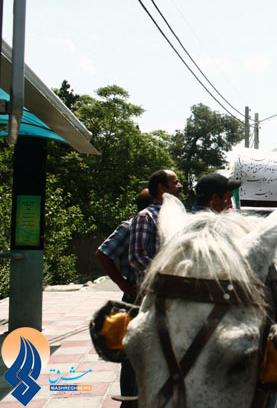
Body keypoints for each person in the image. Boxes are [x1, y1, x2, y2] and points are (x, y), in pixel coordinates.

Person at [95, 188, 152, 408]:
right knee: (130, 354)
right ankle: (129, 402)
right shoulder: (129, 227)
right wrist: (123, 283)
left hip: (156, 298)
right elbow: (103, 254)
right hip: (134, 298)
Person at [129, 169, 182, 284]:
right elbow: (137, 257)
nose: (180, 186)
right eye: (175, 183)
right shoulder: (146, 216)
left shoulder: (177, 216)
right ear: (161, 187)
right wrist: (167, 273)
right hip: (155, 290)